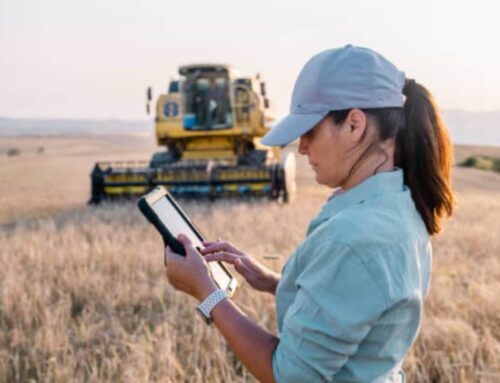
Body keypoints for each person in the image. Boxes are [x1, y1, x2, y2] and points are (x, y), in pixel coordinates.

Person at [164, 45, 454, 382]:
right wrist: (277, 283)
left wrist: (207, 292)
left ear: (354, 125)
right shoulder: (399, 205)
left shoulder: (353, 238)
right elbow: (360, 306)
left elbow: (289, 374)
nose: (301, 147)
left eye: (310, 131)